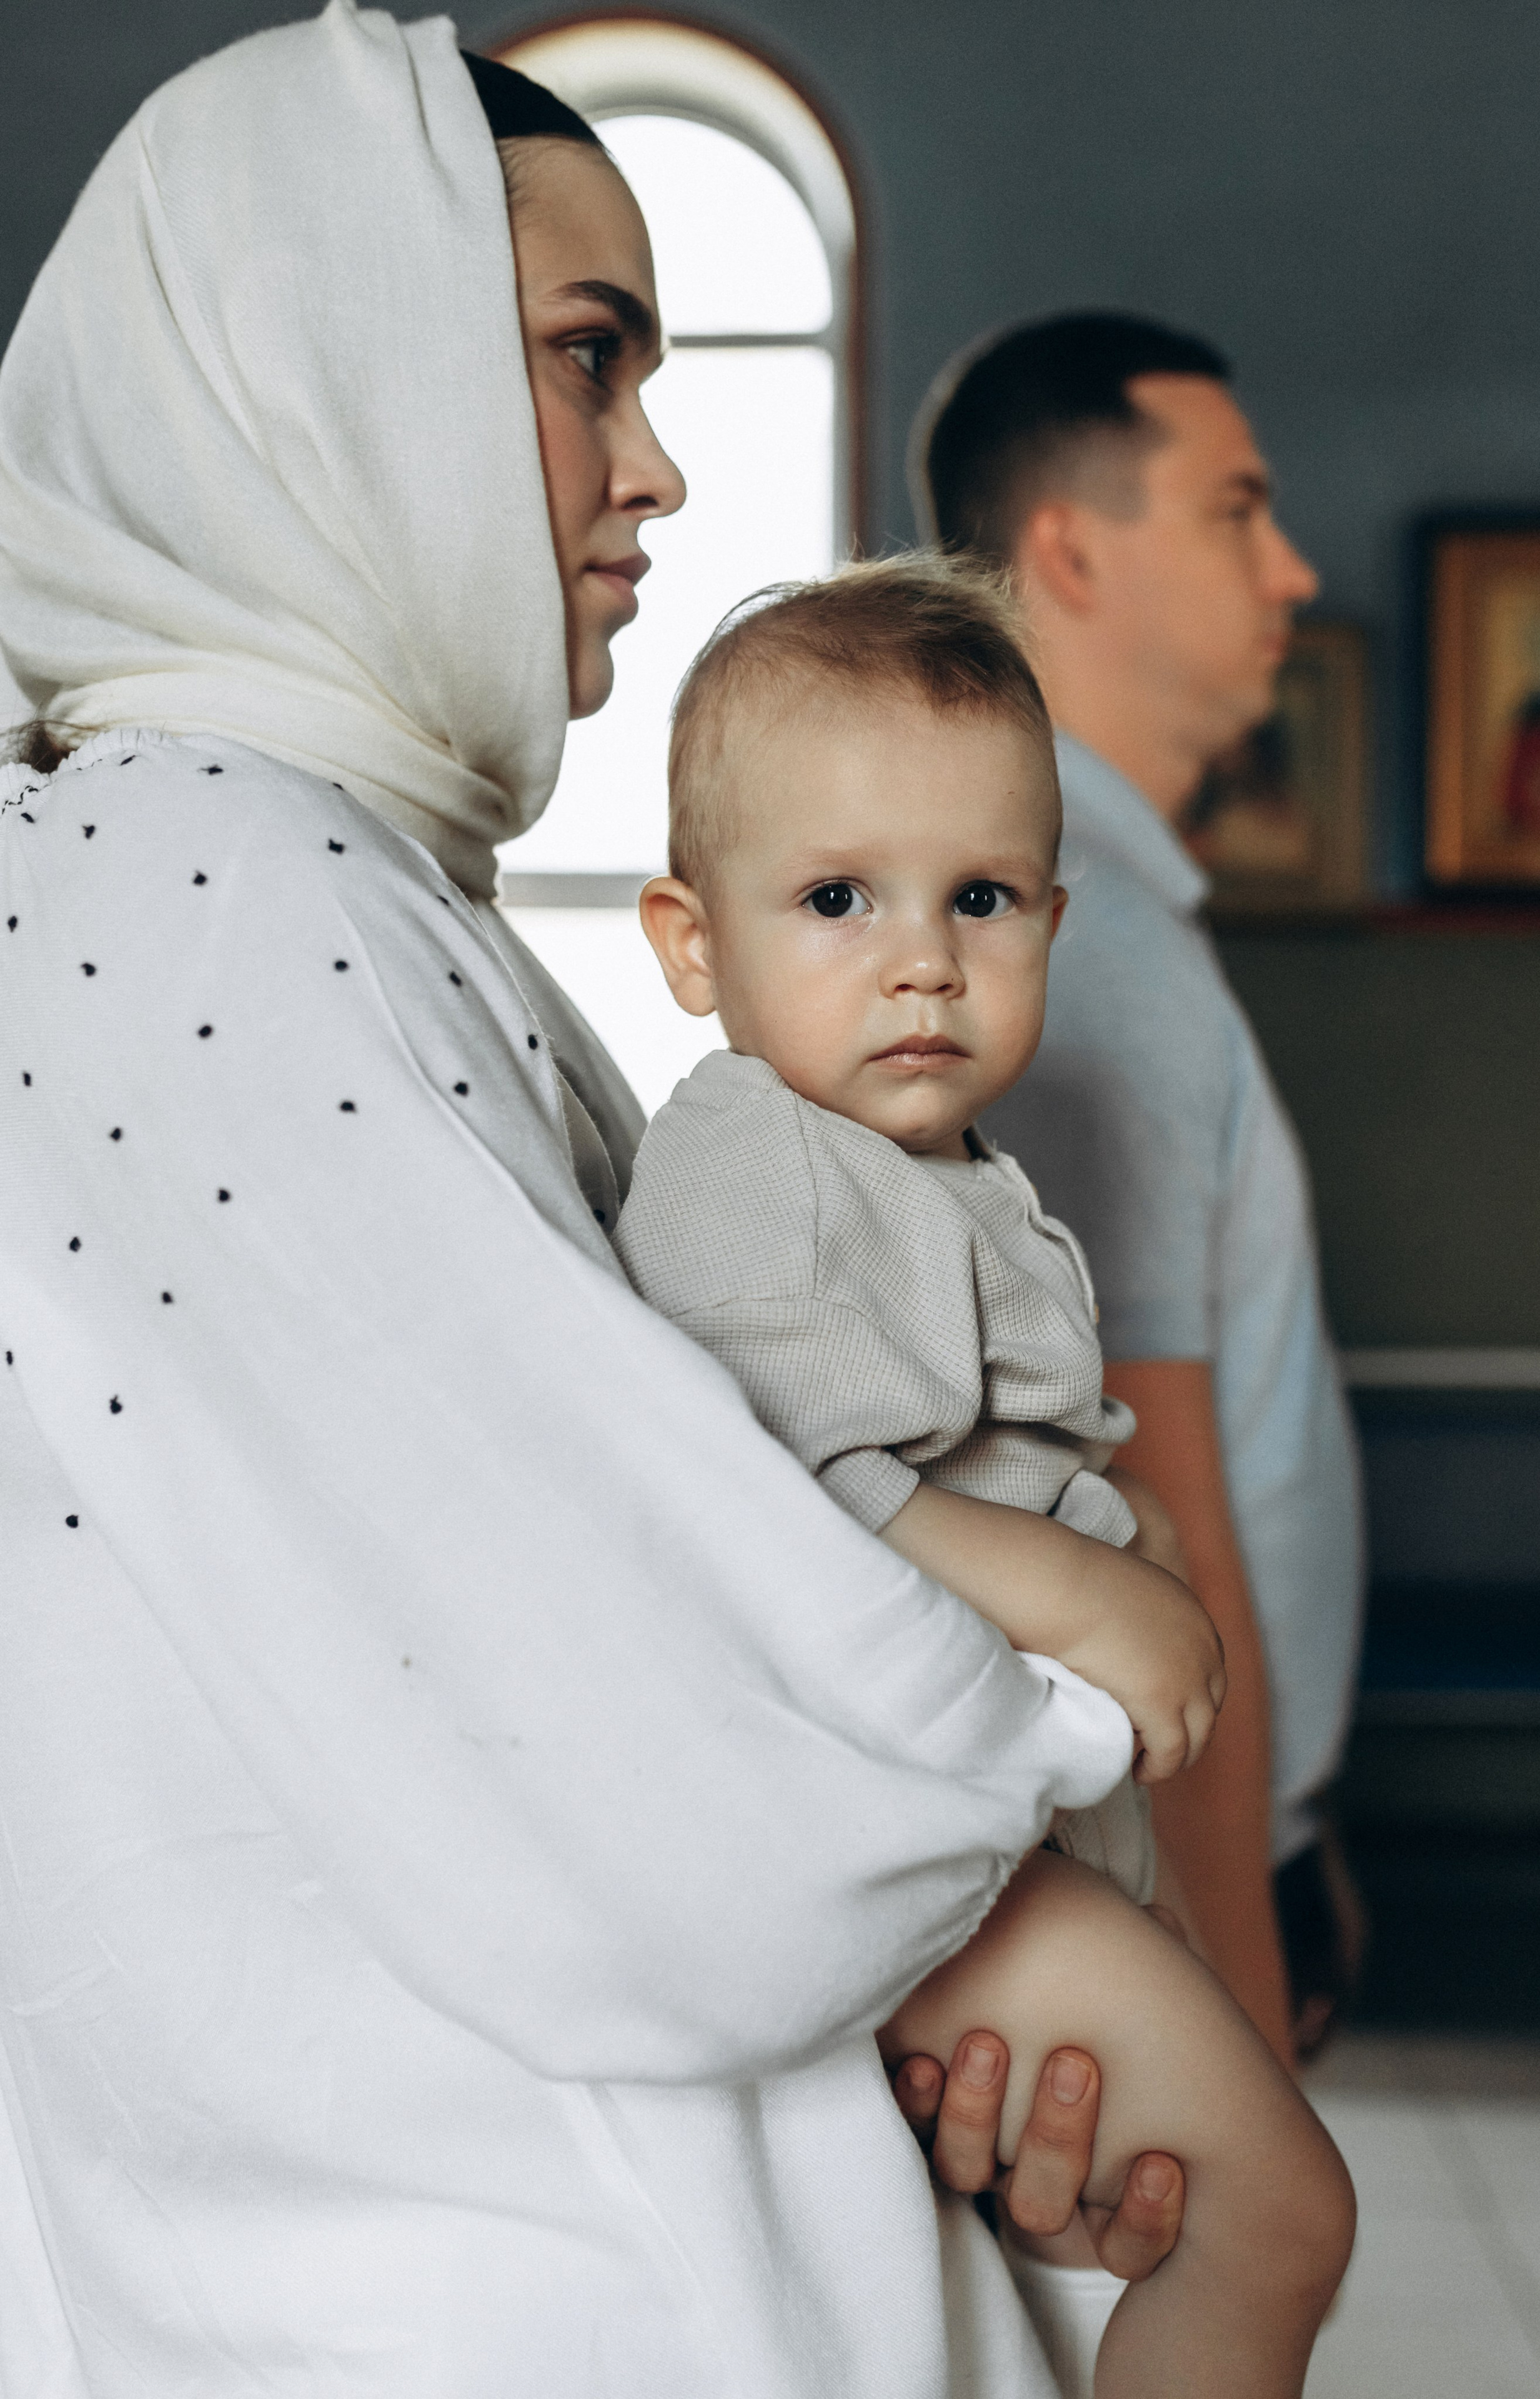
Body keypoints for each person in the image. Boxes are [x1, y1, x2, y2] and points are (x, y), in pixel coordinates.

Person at [0, 19, 1180, 2394]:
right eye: (582, 362)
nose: (654, 469)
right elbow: (644, 1700)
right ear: (322, 360)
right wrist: (1066, 1708)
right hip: (489, 2270)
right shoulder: (212, 873)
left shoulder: (304, 857)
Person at [618, 554, 1356, 2397]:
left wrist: (1130, 1531)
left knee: (1128, 2220)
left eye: (983, 899)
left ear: (1052, 912)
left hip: (1021, 1828)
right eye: (838, 899)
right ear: (691, 942)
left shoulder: (943, 1165)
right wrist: (1093, 1587)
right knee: (1276, 2211)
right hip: (901, 1844)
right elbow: (770, 1488)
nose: (923, 956)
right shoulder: (750, 1156)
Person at [915, 314, 1366, 2070]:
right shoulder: (1067, 944)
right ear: (1074, 552)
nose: (1295, 567)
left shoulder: (1089, 910)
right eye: (1239, 511)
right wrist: (1236, 2024)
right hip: (1155, 1837)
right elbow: (1150, 1519)